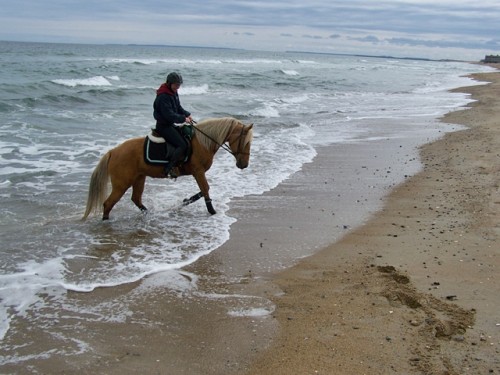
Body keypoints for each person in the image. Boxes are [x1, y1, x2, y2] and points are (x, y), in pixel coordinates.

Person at [153, 72, 193, 177]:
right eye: (176, 85)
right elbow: (169, 115)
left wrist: (187, 114)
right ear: (169, 83)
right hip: (163, 126)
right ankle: (169, 168)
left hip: (169, 124)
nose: (178, 87)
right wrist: (183, 118)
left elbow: (178, 108)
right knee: (182, 144)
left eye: (179, 85)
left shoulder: (173, 92)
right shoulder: (163, 96)